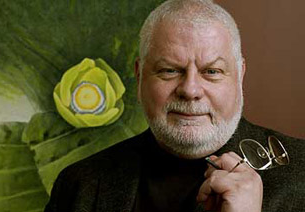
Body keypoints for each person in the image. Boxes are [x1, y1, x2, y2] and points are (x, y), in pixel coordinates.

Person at [44, 0, 305, 211]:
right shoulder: (79, 184)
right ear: (139, 76)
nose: (190, 90)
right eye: (169, 70)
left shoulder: (301, 174)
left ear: (240, 75)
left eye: (212, 71)